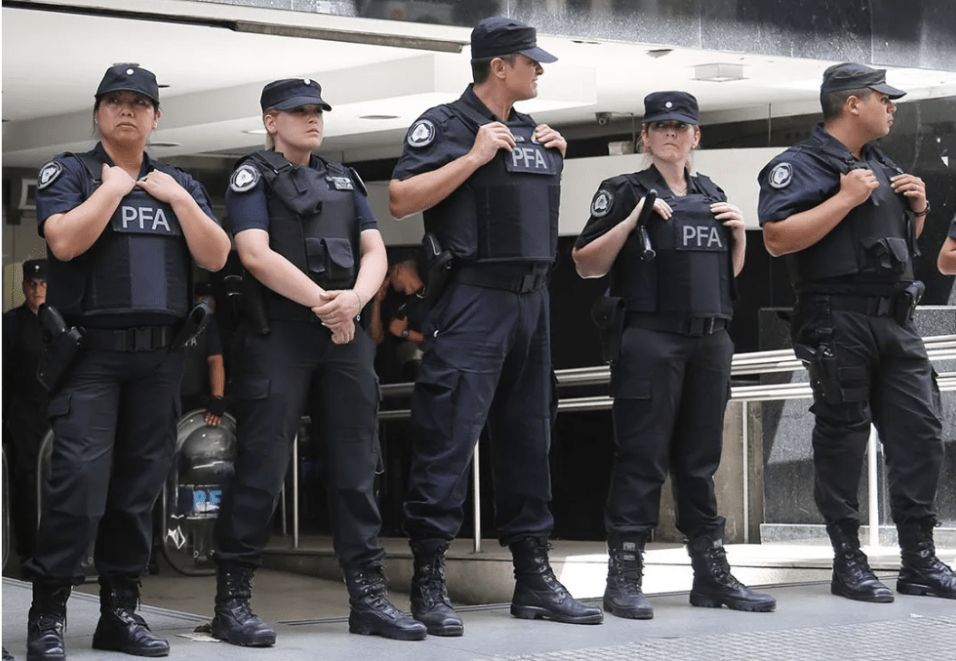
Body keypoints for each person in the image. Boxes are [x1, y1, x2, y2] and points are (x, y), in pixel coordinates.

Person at [389, 16, 603, 636]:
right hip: (473, 300)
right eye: (529, 61)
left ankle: (532, 578)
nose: (538, 70)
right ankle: (429, 576)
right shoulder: (447, 125)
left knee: (530, 439)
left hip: (532, 303)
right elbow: (402, 198)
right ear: (497, 65)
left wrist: (552, 157)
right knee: (449, 435)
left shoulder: (535, 132)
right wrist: (476, 154)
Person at [24, 64, 230, 661]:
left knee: (137, 493)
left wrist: (175, 198)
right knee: (78, 490)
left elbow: (215, 256)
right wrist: (114, 188)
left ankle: (120, 612)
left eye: (139, 103)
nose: (127, 110)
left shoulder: (180, 182)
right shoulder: (71, 172)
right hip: (91, 358)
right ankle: (48, 614)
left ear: (156, 117)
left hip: (158, 361)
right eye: (114, 101)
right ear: (97, 112)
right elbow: (62, 241)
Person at [211, 78, 425, 646]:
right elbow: (254, 253)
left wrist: (353, 300)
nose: (312, 119)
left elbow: (375, 248)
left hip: (345, 331)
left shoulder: (344, 177)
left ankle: (369, 599)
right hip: (281, 332)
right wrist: (326, 303)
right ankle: (232, 601)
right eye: (297, 111)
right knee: (261, 468)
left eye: (316, 111)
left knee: (358, 469)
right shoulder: (251, 175)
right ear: (269, 121)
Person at [572, 91, 775, 619]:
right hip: (650, 338)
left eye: (680, 126)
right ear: (644, 136)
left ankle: (711, 575)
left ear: (695, 136)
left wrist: (738, 239)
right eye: (659, 125)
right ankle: (624, 575)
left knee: (699, 462)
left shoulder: (711, 192)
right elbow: (585, 265)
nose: (669, 133)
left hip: (709, 339)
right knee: (641, 459)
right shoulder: (624, 190)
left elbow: (720, 278)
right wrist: (633, 219)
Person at [758, 62, 956, 602]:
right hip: (836, 318)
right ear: (852, 103)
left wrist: (916, 210)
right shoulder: (798, 165)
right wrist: (843, 197)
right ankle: (848, 561)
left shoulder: (880, 163)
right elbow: (777, 238)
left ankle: (919, 560)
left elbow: (895, 247)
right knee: (843, 439)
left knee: (919, 437)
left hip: (896, 320)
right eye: (883, 98)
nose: (892, 107)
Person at [2, 259, 50, 564]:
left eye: (43, 283)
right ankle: (29, 551)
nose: (37, 289)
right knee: (26, 483)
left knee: (58, 482)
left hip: (56, 415)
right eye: (32, 284)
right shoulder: (11, 322)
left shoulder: (60, 320)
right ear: (23, 287)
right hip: (23, 417)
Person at [369, 259, 426, 382]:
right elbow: (376, 338)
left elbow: (440, 339)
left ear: (397, 270)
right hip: (391, 373)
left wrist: (406, 333)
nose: (388, 280)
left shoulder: (428, 296)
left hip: (419, 370)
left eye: (389, 274)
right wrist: (378, 301)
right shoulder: (394, 299)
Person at [179, 282, 226, 426]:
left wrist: (217, 398)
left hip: (196, 397)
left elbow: (215, 358)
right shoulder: (172, 318)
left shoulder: (208, 322)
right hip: (164, 393)